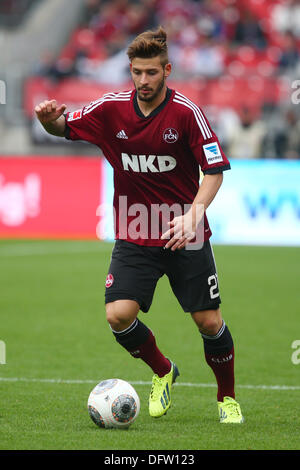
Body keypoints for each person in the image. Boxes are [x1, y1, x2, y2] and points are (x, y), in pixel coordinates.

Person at [35, 26, 244, 424]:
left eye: (151, 72)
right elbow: (64, 127)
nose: (143, 81)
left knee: (209, 321)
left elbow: (215, 170)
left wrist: (195, 213)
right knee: (118, 315)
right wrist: (48, 122)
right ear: (129, 71)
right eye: (137, 73)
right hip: (134, 230)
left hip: (186, 233)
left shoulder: (187, 113)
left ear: (167, 70)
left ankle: (227, 399)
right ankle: (164, 370)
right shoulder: (110, 109)